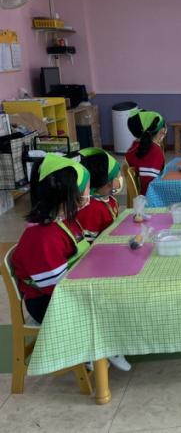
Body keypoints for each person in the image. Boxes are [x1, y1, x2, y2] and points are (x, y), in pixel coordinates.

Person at [11, 154, 132, 372]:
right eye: (85, 190)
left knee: (119, 292)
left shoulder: (65, 221)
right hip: (49, 303)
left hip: (69, 287)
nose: (89, 195)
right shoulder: (42, 238)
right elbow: (57, 291)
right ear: (67, 196)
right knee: (110, 304)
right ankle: (95, 347)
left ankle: (107, 341)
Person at [77, 148, 121, 242]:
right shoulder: (92, 209)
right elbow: (88, 244)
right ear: (110, 182)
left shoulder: (110, 199)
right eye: (118, 176)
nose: (120, 179)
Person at [125, 108, 166, 195]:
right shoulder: (154, 151)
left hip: (146, 194)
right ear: (161, 132)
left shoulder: (134, 147)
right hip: (151, 198)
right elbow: (149, 184)